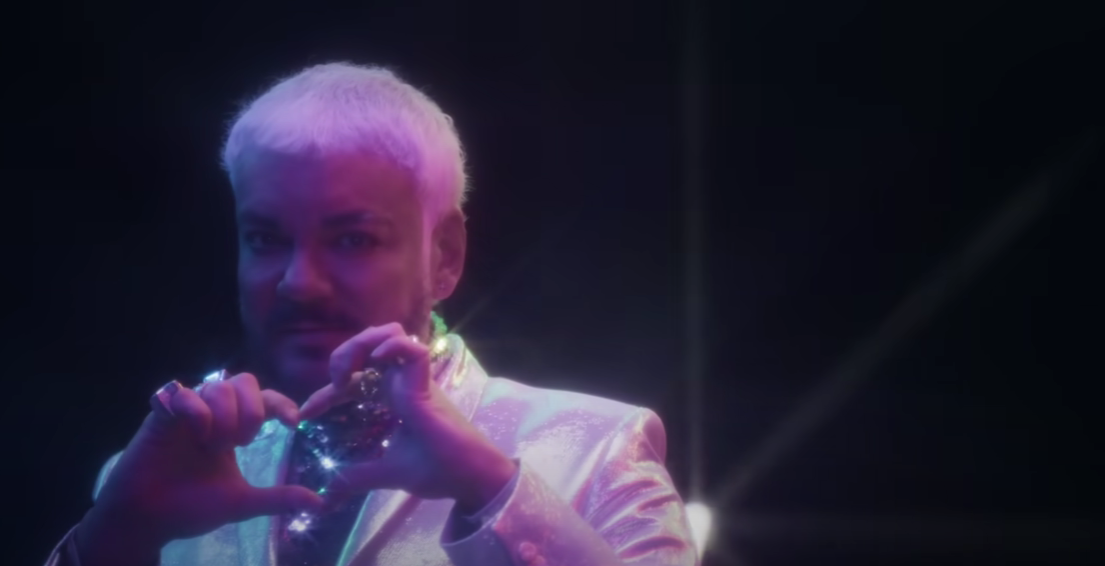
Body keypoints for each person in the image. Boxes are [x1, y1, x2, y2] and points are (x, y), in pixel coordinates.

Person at [44, 62, 697, 566]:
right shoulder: (165, 475)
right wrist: (113, 535)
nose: (299, 282)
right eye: (265, 239)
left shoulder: (595, 447)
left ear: (445, 255)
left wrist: (493, 490)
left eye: (352, 239)